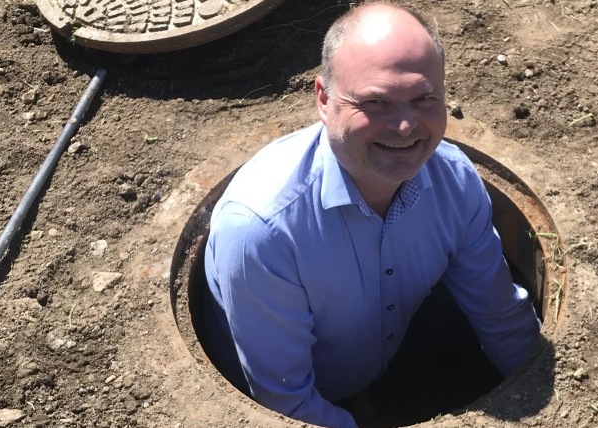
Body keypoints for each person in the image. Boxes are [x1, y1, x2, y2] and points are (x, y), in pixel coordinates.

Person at [201, 3, 541, 427]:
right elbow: (287, 405)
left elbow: (501, 319)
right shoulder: (263, 230)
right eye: (375, 102)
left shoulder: (454, 181)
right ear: (324, 99)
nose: (405, 127)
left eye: (424, 98)